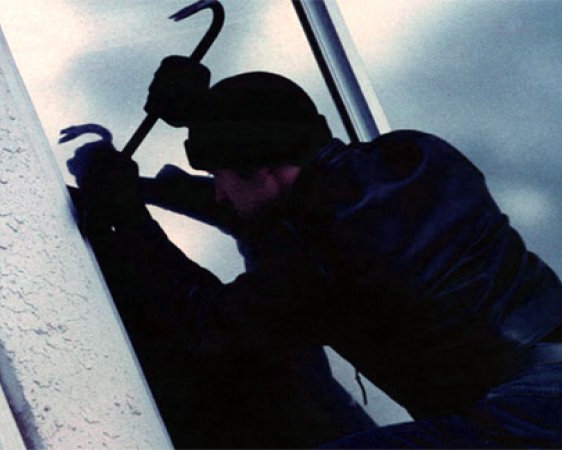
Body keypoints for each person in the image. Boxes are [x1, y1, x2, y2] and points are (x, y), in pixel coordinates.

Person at [66, 56, 562, 448]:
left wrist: (127, 214)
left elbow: (203, 320)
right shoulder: (415, 155)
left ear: (262, 170)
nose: (218, 192)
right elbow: (298, 215)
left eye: (219, 176)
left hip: (526, 420)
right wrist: (196, 132)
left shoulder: (316, 256)